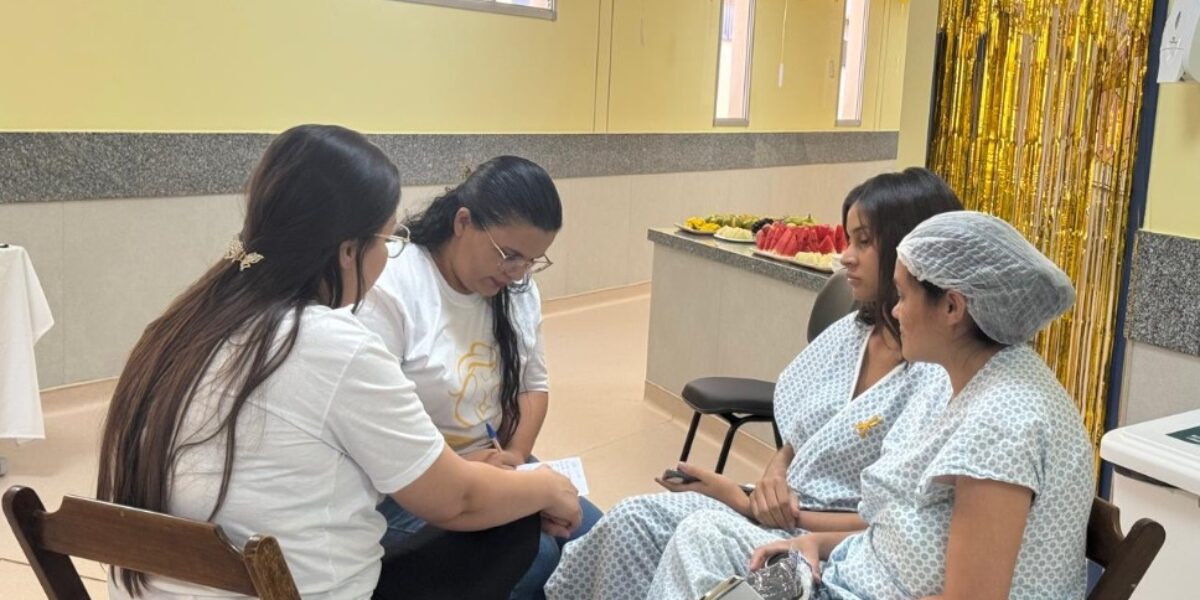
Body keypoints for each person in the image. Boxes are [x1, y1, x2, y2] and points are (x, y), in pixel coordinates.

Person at [97, 125, 581, 600]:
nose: (387, 259)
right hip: (287, 587)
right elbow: (457, 500)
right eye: (383, 241)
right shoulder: (330, 344)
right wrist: (544, 488)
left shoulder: (177, 326)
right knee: (519, 537)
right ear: (349, 251)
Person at [543, 168, 962, 599]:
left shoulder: (938, 380)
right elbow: (800, 437)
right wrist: (773, 471)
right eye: (848, 240)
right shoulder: (851, 335)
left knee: (700, 538)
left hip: (829, 546)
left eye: (864, 242)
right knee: (633, 522)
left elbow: (900, 531)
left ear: (907, 248)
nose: (845, 257)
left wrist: (743, 501)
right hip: (772, 512)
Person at [656, 211, 1094, 600]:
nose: (894, 312)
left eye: (902, 296)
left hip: (851, 587)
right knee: (701, 538)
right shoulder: (975, 385)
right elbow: (899, 524)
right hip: (840, 572)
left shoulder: (1005, 423)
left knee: (701, 555)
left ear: (952, 307)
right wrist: (812, 545)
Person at [357, 156, 602, 600]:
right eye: (508, 256)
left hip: (492, 465)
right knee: (538, 555)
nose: (517, 274)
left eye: (531, 261)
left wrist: (515, 455)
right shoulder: (395, 284)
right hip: (412, 485)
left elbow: (532, 387)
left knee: (595, 534)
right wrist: (472, 473)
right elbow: (377, 440)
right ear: (463, 222)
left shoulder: (516, 288)